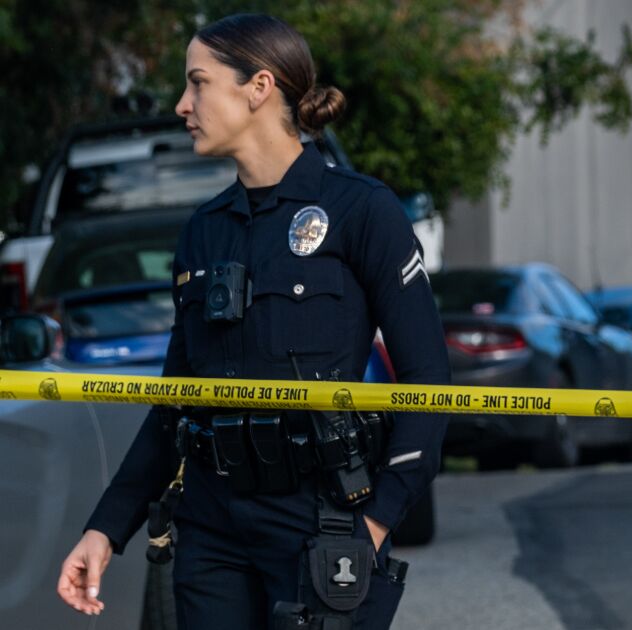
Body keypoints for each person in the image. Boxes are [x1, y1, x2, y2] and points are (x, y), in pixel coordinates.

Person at [56, 14, 450, 629]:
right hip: (212, 525)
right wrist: (105, 529)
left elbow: (428, 382)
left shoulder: (362, 211)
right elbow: (175, 406)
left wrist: (377, 522)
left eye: (198, 83)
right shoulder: (203, 231)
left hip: (321, 518)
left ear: (258, 87)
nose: (184, 105)